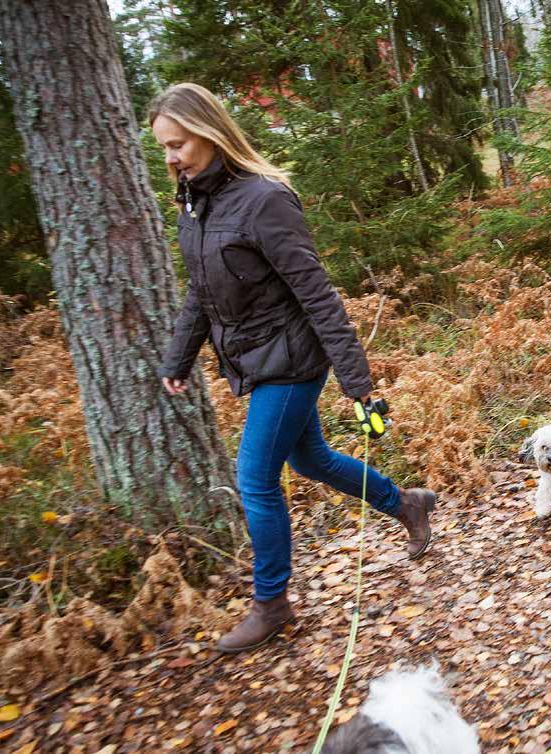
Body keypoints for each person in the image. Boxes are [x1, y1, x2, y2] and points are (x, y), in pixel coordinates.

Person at [149, 83, 436, 653]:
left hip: (293, 360)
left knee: (255, 479)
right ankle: (405, 503)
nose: (171, 158)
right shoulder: (194, 202)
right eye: (163, 148)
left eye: (178, 144)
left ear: (209, 133)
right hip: (255, 358)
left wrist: (359, 386)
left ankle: (272, 603)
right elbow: (200, 293)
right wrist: (179, 356)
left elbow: (318, 296)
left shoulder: (264, 199)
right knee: (310, 458)